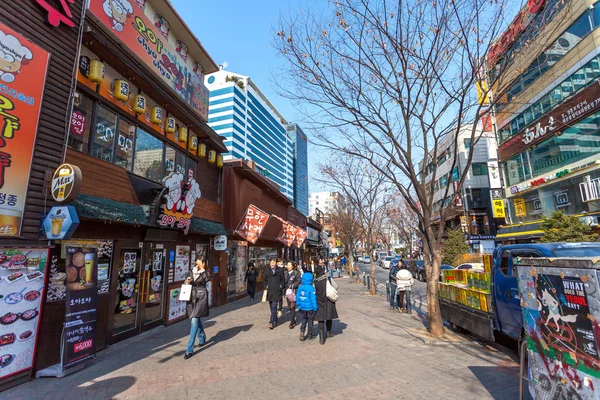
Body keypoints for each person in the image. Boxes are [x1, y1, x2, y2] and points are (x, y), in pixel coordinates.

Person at [183, 258, 210, 359]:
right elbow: (186, 281)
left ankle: (189, 349)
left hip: (201, 297)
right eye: (197, 261)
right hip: (191, 297)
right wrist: (187, 281)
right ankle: (202, 338)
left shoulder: (206, 273)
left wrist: (203, 269)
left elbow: (206, 279)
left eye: (200, 262)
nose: (198, 263)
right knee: (196, 319)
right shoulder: (191, 271)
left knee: (194, 321)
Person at [313, 258, 339, 344]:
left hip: (319, 301)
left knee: (320, 319)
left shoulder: (315, 281)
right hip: (328, 300)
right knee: (329, 316)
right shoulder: (327, 279)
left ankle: (321, 337)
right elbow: (336, 286)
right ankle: (328, 332)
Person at [263, 258, 285, 329]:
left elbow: (282, 279)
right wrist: (266, 286)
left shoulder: (280, 270)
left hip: (277, 291)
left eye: (273, 263)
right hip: (270, 291)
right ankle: (275, 317)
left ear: (276, 263)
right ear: (269, 263)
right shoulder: (267, 270)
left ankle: (271, 322)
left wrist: (281, 286)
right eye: (271, 263)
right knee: (271, 306)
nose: (272, 264)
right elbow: (264, 280)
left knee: (274, 306)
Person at [296, 271, 318, 341]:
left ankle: (302, 332)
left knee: (304, 320)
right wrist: (315, 307)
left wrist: (298, 305)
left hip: (302, 308)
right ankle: (310, 334)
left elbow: (297, 297)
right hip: (310, 308)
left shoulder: (300, 287)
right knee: (310, 321)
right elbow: (313, 299)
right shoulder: (311, 288)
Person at [284, 261, 302, 328]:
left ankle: (292, 321)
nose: (288, 266)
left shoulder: (296, 273)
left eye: (289, 265)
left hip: (294, 291)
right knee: (290, 307)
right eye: (287, 265)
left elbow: (299, 280)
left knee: (292, 306)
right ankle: (293, 318)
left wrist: (293, 285)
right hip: (287, 292)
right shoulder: (285, 273)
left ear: (292, 266)